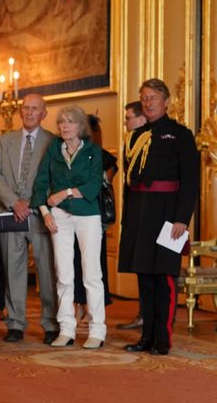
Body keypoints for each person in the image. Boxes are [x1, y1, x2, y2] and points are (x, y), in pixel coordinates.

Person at [119, 79, 198, 356]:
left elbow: (190, 182)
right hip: (141, 213)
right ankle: (147, 337)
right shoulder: (136, 136)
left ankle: (162, 340)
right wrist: (128, 220)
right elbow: (130, 183)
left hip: (167, 216)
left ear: (166, 102)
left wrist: (181, 219)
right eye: (144, 98)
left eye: (153, 97)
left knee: (164, 278)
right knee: (145, 277)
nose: (148, 102)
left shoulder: (180, 135)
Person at [0, 93, 59, 344]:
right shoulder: (4, 141)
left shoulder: (54, 142)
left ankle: (50, 323)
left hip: (41, 214)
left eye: (35, 109)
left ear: (44, 114)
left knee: (47, 271)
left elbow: (56, 178)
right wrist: (14, 202)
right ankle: (15, 323)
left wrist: (34, 202)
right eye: (26, 108)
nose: (29, 113)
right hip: (10, 213)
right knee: (13, 270)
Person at [32, 105, 105, 349]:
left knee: (91, 274)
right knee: (63, 274)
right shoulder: (54, 149)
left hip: (88, 216)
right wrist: (45, 212)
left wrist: (65, 193)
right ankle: (66, 328)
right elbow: (41, 182)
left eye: (70, 122)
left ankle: (97, 330)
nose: (64, 126)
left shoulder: (93, 151)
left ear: (80, 126)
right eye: (61, 122)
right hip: (58, 217)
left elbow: (94, 186)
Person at [72, 114, 117, 320]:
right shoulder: (68, 151)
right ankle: (79, 303)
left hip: (94, 213)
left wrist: (106, 177)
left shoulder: (97, 153)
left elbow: (112, 165)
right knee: (75, 261)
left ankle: (93, 307)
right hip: (72, 212)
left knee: (94, 262)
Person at [117, 100, 147, 330]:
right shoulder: (131, 140)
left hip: (149, 211)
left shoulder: (148, 139)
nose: (125, 122)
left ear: (141, 118)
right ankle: (142, 312)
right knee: (139, 266)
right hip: (135, 210)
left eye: (128, 118)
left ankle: (147, 314)